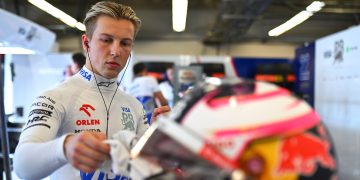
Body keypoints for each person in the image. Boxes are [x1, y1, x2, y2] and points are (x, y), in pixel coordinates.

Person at [13, 2, 169, 180]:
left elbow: (146, 166)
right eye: (106, 40)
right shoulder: (54, 97)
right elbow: (22, 165)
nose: (115, 51)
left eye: (125, 43)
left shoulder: (134, 106)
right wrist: (64, 147)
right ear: (86, 42)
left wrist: (158, 139)